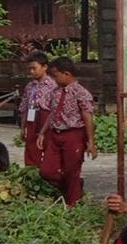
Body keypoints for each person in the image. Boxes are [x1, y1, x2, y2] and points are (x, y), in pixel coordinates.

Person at [36, 56, 96, 206]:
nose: (54, 79)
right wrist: (42, 132)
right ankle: (71, 189)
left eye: (56, 76)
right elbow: (52, 112)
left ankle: (72, 204)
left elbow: (87, 117)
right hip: (55, 134)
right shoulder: (55, 91)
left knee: (72, 171)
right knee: (46, 171)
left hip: (74, 134)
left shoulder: (81, 93)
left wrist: (91, 142)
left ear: (67, 74)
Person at [19, 52, 58, 167]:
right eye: (29, 69)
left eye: (34, 68)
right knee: (31, 147)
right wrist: (23, 127)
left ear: (45, 67)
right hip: (32, 118)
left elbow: (54, 109)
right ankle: (31, 170)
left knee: (46, 145)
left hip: (46, 117)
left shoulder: (53, 85)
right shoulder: (30, 86)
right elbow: (25, 107)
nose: (32, 71)